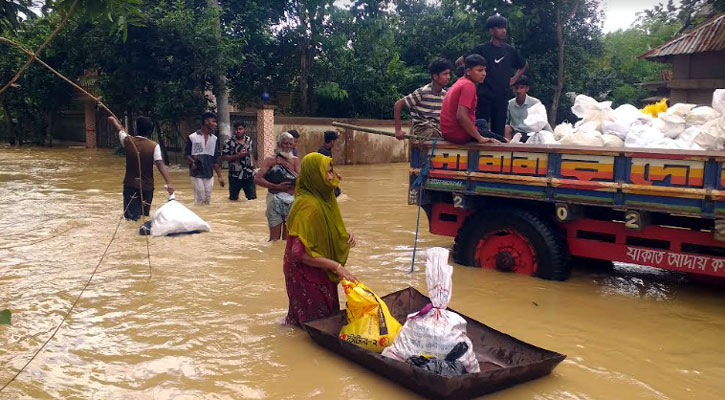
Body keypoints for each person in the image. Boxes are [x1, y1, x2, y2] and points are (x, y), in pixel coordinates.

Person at [283, 152, 357, 326]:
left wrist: (344, 235)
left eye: (332, 171)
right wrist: (337, 267)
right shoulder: (308, 206)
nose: (331, 177)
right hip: (304, 272)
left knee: (320, 316)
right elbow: (298, 254)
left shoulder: (323, 199)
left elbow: (322, 230)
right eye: (327, 173)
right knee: (314, 322)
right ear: (314, 176)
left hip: (319, 267)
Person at [457, 15, 528, 137]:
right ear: (491, 30)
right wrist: (468, 81)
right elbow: (459, 62)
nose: (503, 30)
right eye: (499, 28)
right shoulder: (482, 49)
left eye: (504, 28)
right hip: (483, 96)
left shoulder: (510, 51)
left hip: (502, 97)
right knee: (479, 128)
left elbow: (524, 65)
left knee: (498, 133)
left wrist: (514, 79)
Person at [109, 116, 175, 220]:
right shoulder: (154, 146)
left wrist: (113, 120)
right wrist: (169, 183)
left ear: (136, 129)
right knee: (144, 217)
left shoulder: (127, 141)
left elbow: (119, 129)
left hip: (130, 186)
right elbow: (160, 165)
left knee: (131, 219)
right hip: (147, 187)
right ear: (150, 131)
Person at [440, 54, 502, 145]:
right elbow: (461, 116)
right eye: (480, 70)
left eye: (485, 70)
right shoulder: (468, 86)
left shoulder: (460, 82)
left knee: (482, 123)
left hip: (448, 132)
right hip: (458, 134)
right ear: (468, 71)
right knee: (503, 141)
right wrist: (480, 138)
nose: (484, 73)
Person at [255, 132, 300, 241]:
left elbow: (301, 180)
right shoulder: (270, 160)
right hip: (274, 199)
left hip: (291, 200)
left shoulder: (295, 160)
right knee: (274, 240)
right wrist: (277, 186)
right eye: (285, 143)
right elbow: (257, 179)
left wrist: (287, 165)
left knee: (288, 240)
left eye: (290, 144)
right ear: (279, 144)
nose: (288, 146)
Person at [394, 58, 452, 140]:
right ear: (435, 76)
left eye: (449, 74)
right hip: (422, 130)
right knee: (434, 134)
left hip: (438, 130)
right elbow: (398, 105)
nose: (448, 77)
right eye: (445, 74)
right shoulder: (422, 92)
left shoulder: (445, 95)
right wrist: (398, 130)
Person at [185, 112, 225, 204]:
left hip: (209, 174)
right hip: (196, 174)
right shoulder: (192, 137)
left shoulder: (214, 139)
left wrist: (219, 176)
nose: (215, 124)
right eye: (214, 121)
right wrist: (193, 162)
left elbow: (215, 159)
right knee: (200, 199)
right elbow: (186, 154)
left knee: (207, 200)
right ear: (206, 122)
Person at [505, 75, 553, 141]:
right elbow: (506, 122)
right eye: (516, 88)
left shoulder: (535, 103)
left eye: (522, 88)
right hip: (516, 134)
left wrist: (552, 136)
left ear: (527, 89)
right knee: (506, 128)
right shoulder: (510, 104)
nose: (518, 91)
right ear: (513, 89)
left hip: (531, 134)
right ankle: (507, 149)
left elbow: (543, 122)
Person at [222, 121, 257, 200]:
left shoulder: (249, 140)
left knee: (252, 199)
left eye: (240, 129)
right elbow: (224, 157)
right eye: (236, 129)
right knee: (233, 199)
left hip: (248, 174)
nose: (238, 131)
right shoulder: (228, 142)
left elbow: (251, 155)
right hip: (234, 175)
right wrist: (237, 156)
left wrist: (255, 169)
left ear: (244, 130)